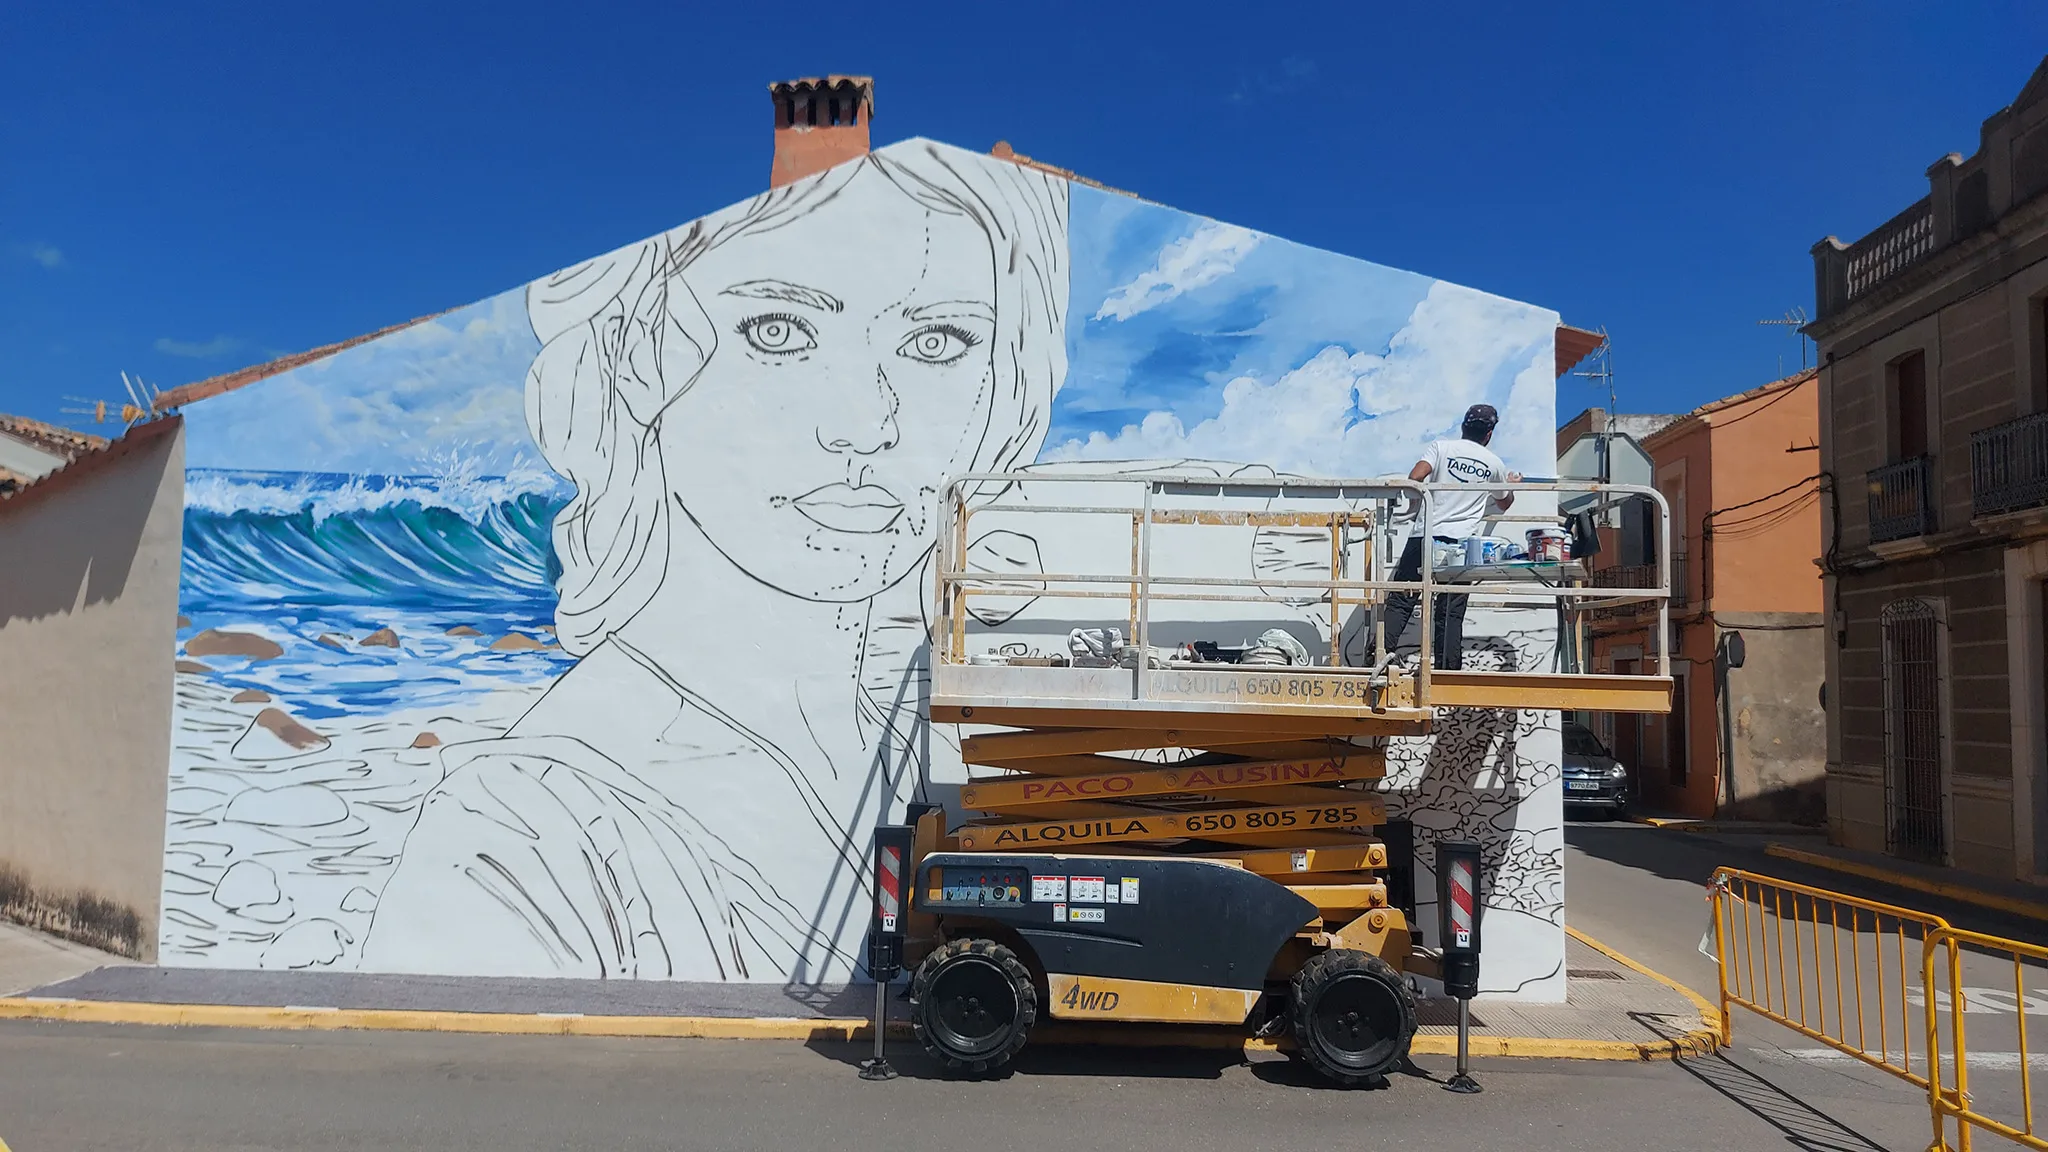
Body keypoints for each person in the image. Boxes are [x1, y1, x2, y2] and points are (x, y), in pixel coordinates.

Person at [361, 144, 1070, 982]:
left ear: (1007, 383)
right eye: (779, 331)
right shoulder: (520, 837)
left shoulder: (956, 748)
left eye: (939, 341)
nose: (864, 422)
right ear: (636, 359)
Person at [1376, 404, 1521, 671]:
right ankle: (1446, 672)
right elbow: (1504, 503)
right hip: (1461, 546)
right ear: (1489, 434)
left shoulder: (1441, 448)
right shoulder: (1494, 464)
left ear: (1464, 426)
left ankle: (1378, 658)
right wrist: (1510, 483)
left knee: (1401, 600)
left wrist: (1415, 504)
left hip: (1425, 536)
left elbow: (1416, 477)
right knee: (1450, 611)